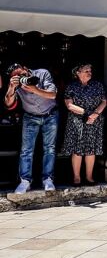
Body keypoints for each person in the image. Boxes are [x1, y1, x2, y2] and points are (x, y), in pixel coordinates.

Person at [4, 63, 59, 193]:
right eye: (17, 76)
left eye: (21, 74)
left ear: (25, 68)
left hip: (50, 114)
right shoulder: (16, 85)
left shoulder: (42, 73)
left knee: (49, 149)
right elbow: (8, 104)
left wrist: (34, 89)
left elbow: (52, 95)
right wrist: (12, 87)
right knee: (26, 150)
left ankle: (48, 179)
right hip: (30, 117)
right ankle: (25, 181)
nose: (21, 77)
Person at [62, 64, 106, 186]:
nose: (89, 72)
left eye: (90, 70)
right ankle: (77, 177)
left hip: (94, 121)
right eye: (86, 70)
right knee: (77, 150)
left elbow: (104, 101)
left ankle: (89, 177)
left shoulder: (97, 85)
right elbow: (69, 105)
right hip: (77, 122)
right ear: (78, 72)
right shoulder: (71, 86)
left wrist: (95, 114)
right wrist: (86, 113)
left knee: (91, 149)